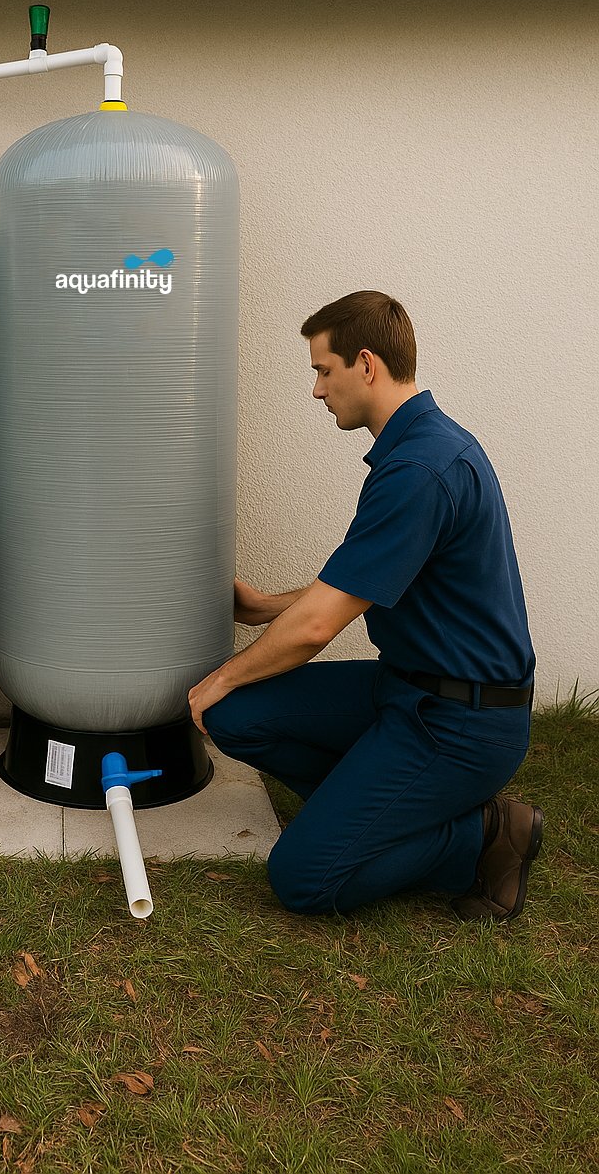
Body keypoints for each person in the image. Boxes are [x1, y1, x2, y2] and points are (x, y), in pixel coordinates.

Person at [188, 291, 542, 922]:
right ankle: (368, 817)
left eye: (324, 371)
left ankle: (484, 833)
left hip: (463, 723)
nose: (318, 391)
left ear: (368, 365)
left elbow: (320, 625)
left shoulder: (420, 469)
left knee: (304, 878)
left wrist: (221, 675)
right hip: (404, 689)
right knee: (238, 717)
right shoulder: (421, 447)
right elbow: (358, 584)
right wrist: (269, 606)